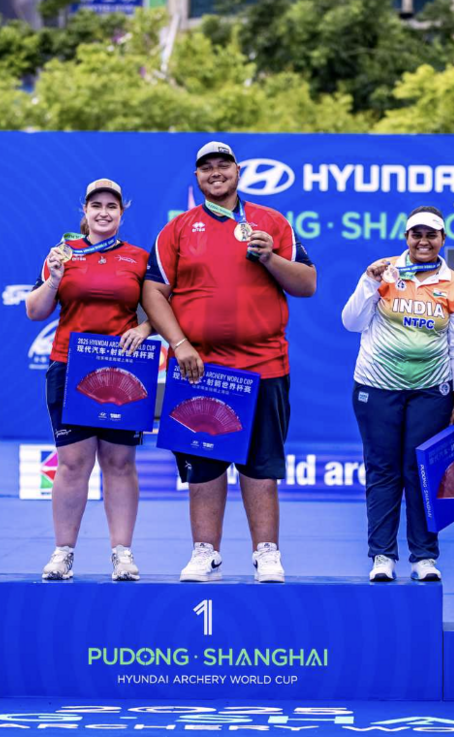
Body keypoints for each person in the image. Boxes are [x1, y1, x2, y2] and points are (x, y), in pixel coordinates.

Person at [141, 141, 317, 583]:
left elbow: (307, 284)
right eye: (207, 168)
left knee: (260, 465)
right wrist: (179, 343)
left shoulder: (271, 222)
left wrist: (270, 257)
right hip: (200, 367)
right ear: (197, 178)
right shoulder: (178, 229)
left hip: (264, 364)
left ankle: (266, 553)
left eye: (223, 166)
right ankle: (206, 553)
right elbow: (152, 292)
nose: (216, 173)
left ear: (238, 171)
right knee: (204, 465)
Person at [25, 178, 152, 581]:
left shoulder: (138, 257)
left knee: (119, 463)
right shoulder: (62, 254)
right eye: (95, 205)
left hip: (123, 372)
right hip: (69, 368)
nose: (103, 212)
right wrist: (54, 278)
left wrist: (146, 331)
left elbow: (158, 311)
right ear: (84, 211)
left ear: (121, 213)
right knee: (73, 464)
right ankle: (63, 553)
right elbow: (34, 311)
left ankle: (123, 554)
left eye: (111, 206)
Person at [341, 207, 454, 583]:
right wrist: (369, 283)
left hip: (431, 392)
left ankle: (424, 557)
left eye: (431, 235)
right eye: (416, 234)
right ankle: (382, 555)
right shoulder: (385, 274)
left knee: (423, 472)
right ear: (406, 238)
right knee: (383, 471)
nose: (423, 241)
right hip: (376, 387)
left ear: (443, 240)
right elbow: (351, 323)